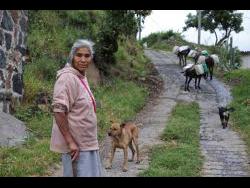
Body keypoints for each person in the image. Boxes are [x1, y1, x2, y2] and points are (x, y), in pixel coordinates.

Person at [50, 39, 104, 177]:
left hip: (88, 143)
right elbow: (59, 110)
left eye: (87, 56)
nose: (83, 59)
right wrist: (70, 142)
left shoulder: (80, 77)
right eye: (79, 55)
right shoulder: (67, 78)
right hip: (77, 147)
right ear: (72, 56)